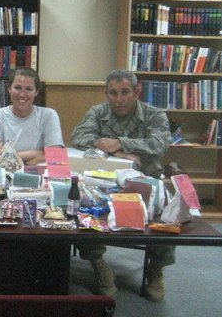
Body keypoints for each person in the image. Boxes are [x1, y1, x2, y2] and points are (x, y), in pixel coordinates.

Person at [71, 68, 173, 302]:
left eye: (125, 92)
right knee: (80, 211)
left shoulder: (153, 114)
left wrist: (119, 143)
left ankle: (156, 269)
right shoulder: (98, 112)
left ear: (136, 92)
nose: (119, 99)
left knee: (168, 219)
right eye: (113, 93)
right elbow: (78, 137)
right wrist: (117, 150)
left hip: (146, 180)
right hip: (105, 182)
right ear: (106, 94)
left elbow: (159, 145)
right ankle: (98, 264)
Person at [0, 66, 64, 166]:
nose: (22, 94)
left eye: (29, 89)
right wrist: (37, 153)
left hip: (38, 178)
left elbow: (56, 158)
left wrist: (7, 154)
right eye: (17, 88)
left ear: (36, 92)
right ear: (9, 89)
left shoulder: (49, 116)